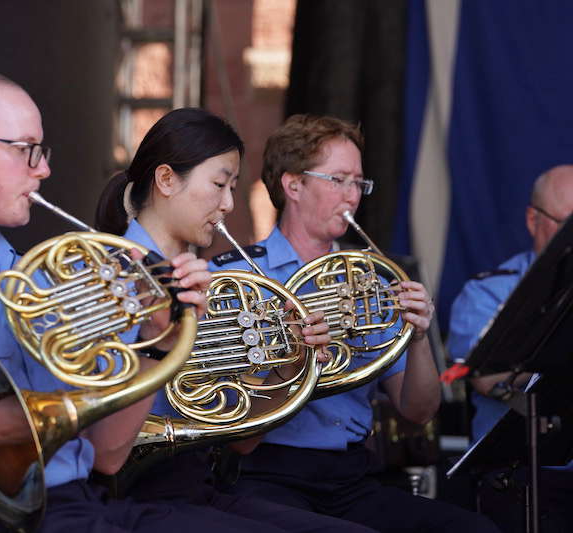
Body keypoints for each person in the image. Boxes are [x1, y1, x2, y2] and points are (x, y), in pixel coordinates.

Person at [0, 70, 290, 533]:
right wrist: (5, 427)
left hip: (80, 501)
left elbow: (108, 454)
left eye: (41, 152)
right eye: (26, 150)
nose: (43, 169)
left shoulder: (35, 273)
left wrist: (157, 338)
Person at [213, 114, 500, 532]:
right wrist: (291, 355)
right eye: (338, 180)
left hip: (351, 475)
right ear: (293, 185)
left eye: (358, 183)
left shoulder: (370, 281)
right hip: (263, 472)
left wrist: (418, 338)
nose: (351, 197)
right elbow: (230, 427)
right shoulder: (239, 276)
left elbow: (419, 411)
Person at [95, 107, 377, 533]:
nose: (228, 204)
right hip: (127, 491)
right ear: (167, 180)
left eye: (231, 187)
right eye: (219, 184)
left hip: (193, 480)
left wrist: (291, 358)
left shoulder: (194, 275)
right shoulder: (114, 273)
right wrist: (159, 343)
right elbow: (107, 450)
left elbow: (238, 436)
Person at [447, 165, 573, 532]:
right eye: (567, 225)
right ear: (533, 219)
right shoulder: (487, 293)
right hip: (522, 475)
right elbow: (486, 380)